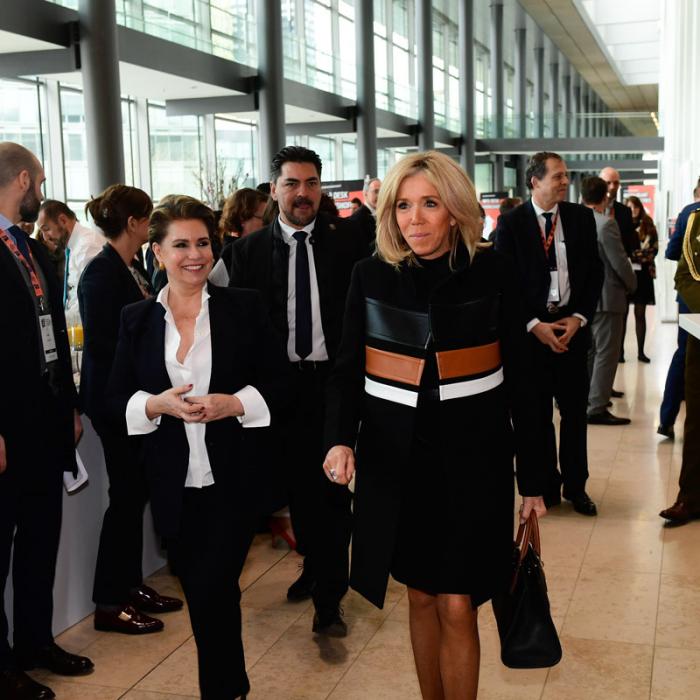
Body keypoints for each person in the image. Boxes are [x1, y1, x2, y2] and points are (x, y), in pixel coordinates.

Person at [323, 151, 546, 700]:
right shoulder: (370, 276)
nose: (415, 219)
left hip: (475, 465)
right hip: (397, 466)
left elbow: (525, 381)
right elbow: (348, 369)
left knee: (457, 600)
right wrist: (337, 439)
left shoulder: (493, 272)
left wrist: (536, 477)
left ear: (455, 210)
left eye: (429, 204)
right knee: (420, 597)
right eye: (403, 205)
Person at [107, 195, 288, 698]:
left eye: (203, 243)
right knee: (209, 591)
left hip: (232, 480)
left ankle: (224, 690)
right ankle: (232, 685)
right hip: (172, 486)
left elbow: (281, 383)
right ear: (158, 251)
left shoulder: (243, 307)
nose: (195, 254)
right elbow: (114, 398)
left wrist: (233, 403)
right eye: (181, 244)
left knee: (213, 592)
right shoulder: (136, 319)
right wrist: (156, 404)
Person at [228, 146, 367, 637]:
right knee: (288, 488)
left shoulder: (348, 246)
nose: (303, 193)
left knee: (329, 492)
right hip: (273, 390)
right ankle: (313, 566)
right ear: (274, 191)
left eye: (311, 184)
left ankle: (330, 600)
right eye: (292, 183)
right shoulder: (245, 254)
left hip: (332, 384)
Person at [0, 142, 93, 700]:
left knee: (41, 538)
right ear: (23, 180)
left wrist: (71, 407)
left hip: (45, 420)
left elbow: (51, 327)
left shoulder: (30, 248)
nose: (42, 192)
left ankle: (36, 641)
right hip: (7, 430)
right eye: (38, 182)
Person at [78, 185, 184, 636]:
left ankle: (129, 584)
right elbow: (110, 345)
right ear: (136, 224)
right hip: (117, 404)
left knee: (133, 497)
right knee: (123, 502)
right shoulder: (101, 273)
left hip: (137, 404)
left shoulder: (129, 267)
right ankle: (109, 601)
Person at [494, 152, 603, 516]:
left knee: (575, 414)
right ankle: (545, 485)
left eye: (565, 175)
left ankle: (577, 487)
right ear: (534, 181)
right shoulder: (511, 224)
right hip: (531, 337)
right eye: (557, 176)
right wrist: (533, 325)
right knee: (536, 416)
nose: (564, 181)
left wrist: (580, 318)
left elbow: (594, 274)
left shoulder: (581, 218)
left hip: (571, 332)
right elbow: (505, 285)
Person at [582, 177, 637, 425]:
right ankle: (597, 407)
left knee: (592, 351)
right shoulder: (606, 224)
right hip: (607, 297)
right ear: (605, 197)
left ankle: (589, 398)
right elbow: (619, 262)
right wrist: (632, 284)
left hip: (586, 298)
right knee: (607, 353)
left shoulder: (575, 223)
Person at [660, 205, 700, 524]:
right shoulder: (695, 219)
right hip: (699, 327)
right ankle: (689, 497)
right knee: (696, 415)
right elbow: (683, 276)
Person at [657, 185, 700, 438]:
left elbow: (672, 252)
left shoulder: (688, 213)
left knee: (686, 354)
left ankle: (667, 419)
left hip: (690, 300)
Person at [37, 200, 105, 327]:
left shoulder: (88, 246)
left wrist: (57, 323)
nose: (45, 237)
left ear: (63, 220)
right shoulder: (74, 247)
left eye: (46, 229)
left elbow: (88, 302)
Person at [599, 167, 637, 364]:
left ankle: (618, 357)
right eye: (608, 182)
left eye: (616, 183)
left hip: (617, 281)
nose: (612, 187)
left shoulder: (623, 211)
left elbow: (630, 244)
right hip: (594, 280)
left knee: (616, 335)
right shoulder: (583, 211)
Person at [626, 195, 658, 363]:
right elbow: (620, 252)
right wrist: (634, 256)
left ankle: (640, 352)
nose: (633, 210)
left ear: (640, 208)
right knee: (622, 315)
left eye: (636, 207)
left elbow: (653, 251)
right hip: (624, 274)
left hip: (644, 275)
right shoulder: (621, 225)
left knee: (640, 313)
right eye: (630, 207)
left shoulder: (649, 225)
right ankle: (619, 354)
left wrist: (633, 256)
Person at [349, 176, 381, 249]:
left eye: (381, 191)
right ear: (365, 194)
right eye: (376, 191)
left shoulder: (384, 214)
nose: (379, 195)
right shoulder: (357, 218)